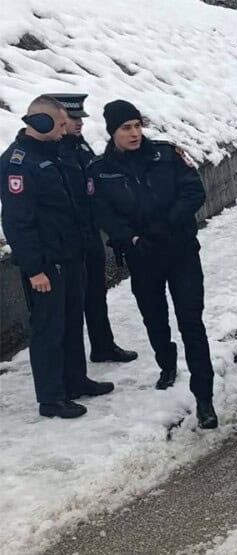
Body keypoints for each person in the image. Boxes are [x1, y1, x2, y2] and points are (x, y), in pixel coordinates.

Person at [88, 100, 218, 429]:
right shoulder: (100, 170)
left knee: (192, 323)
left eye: (137, 126)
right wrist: (130, 238)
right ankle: (166, 363)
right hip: (142, 257)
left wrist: (167, 224)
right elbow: (103, 213)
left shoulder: (167, 155)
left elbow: (193, 192)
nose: (134, 133)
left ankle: (204, 398)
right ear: (112, 132)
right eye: (125, 128)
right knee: (155, 319)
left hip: (180, 252)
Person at [1, 95, 114, 418]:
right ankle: (51, 398)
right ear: (41, 122)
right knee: (49, 329)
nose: (66, 130)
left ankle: (75, 381)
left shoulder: (52, 153)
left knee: (71, 321)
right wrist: (35, 269)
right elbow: (17, 222)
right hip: (47, 263)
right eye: (61, 124)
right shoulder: (19, 163)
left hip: (70, 256)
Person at [51, 93, 138, 364]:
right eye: (73, 118)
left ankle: (103, 345)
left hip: (90, 232)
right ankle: (70, 366)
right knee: (72, 303)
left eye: (81, 118)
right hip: (69, 237)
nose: (79, 123)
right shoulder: (54, 151)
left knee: (96, 293)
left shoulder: (79, 146)